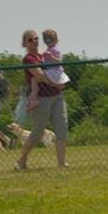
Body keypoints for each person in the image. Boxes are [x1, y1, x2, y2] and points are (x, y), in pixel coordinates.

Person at [15, 29, 68, 169]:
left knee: (62, 128)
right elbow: (39, 75)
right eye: (30, 39)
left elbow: (58, 68)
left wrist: (58, 80)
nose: (34, 41)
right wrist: (55, 83)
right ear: (24, 43)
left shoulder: (44, 55)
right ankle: (21, 161)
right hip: (42, 99)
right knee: (38, 132)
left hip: (57, 96)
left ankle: (62, 163)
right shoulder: (29, 59)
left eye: (36, 38)